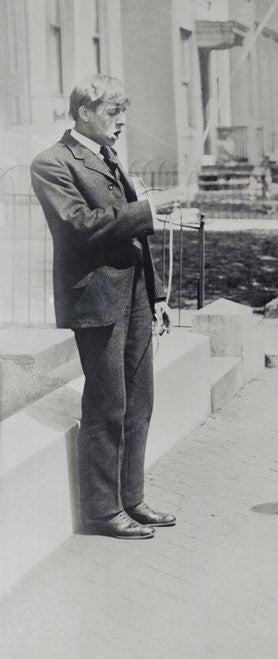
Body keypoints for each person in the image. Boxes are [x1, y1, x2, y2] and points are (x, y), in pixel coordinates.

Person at [31, 74, 176, 539]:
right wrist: (147, 211)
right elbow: (78, 226)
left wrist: (156, 296)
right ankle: (101, 510)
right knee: (107, 403)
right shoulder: (52, 163)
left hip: (132, 294)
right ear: (84, 113)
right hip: (95, 296)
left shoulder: (107, 157)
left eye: (123, 112)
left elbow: (133, 237)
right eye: (114, 113)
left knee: (140, 401)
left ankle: (130, 498)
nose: (123, 122)